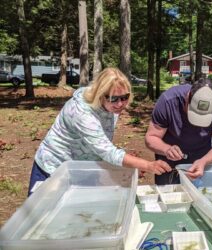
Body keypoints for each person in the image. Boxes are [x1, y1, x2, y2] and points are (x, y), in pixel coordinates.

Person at [28, 68, 171, 196]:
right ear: (100, 95)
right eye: (114, 98)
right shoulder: (81, 113)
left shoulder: (111, 105)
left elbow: (101, 141)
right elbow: (106, 150)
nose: (120, 104)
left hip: (85, 168)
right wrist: (147, 165)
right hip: (54, 167)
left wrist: (125, 161)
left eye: (125, 97)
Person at [145, 78, 212, 185]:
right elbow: (151, 137)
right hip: (169, 162)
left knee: (205, 195)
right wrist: (166, 149)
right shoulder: (168, 100)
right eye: (193, 113)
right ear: (187, 97)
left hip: (205, 158)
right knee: (169, 197)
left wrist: (204, 161)